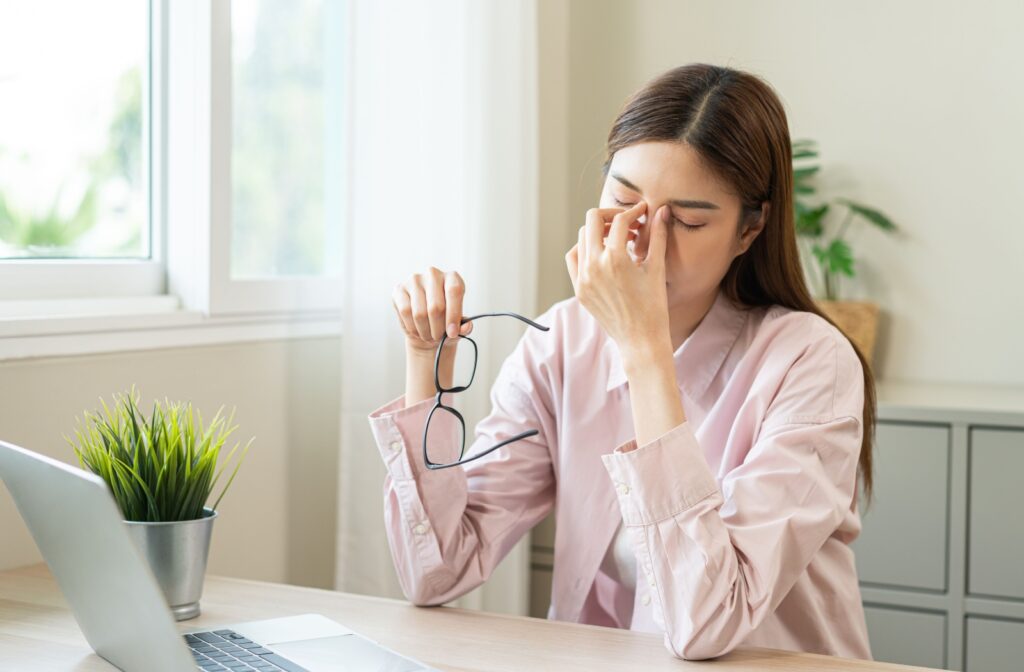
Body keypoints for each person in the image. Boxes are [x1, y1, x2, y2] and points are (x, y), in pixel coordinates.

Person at [369, 63, 875, 661]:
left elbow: (705, 622)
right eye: (622, 199)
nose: (641, 240)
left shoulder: (812, 363)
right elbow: (438, 572)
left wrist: (643, 348)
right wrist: (427, 367)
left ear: (750, 229)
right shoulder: (562, 341)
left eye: (686, 220)